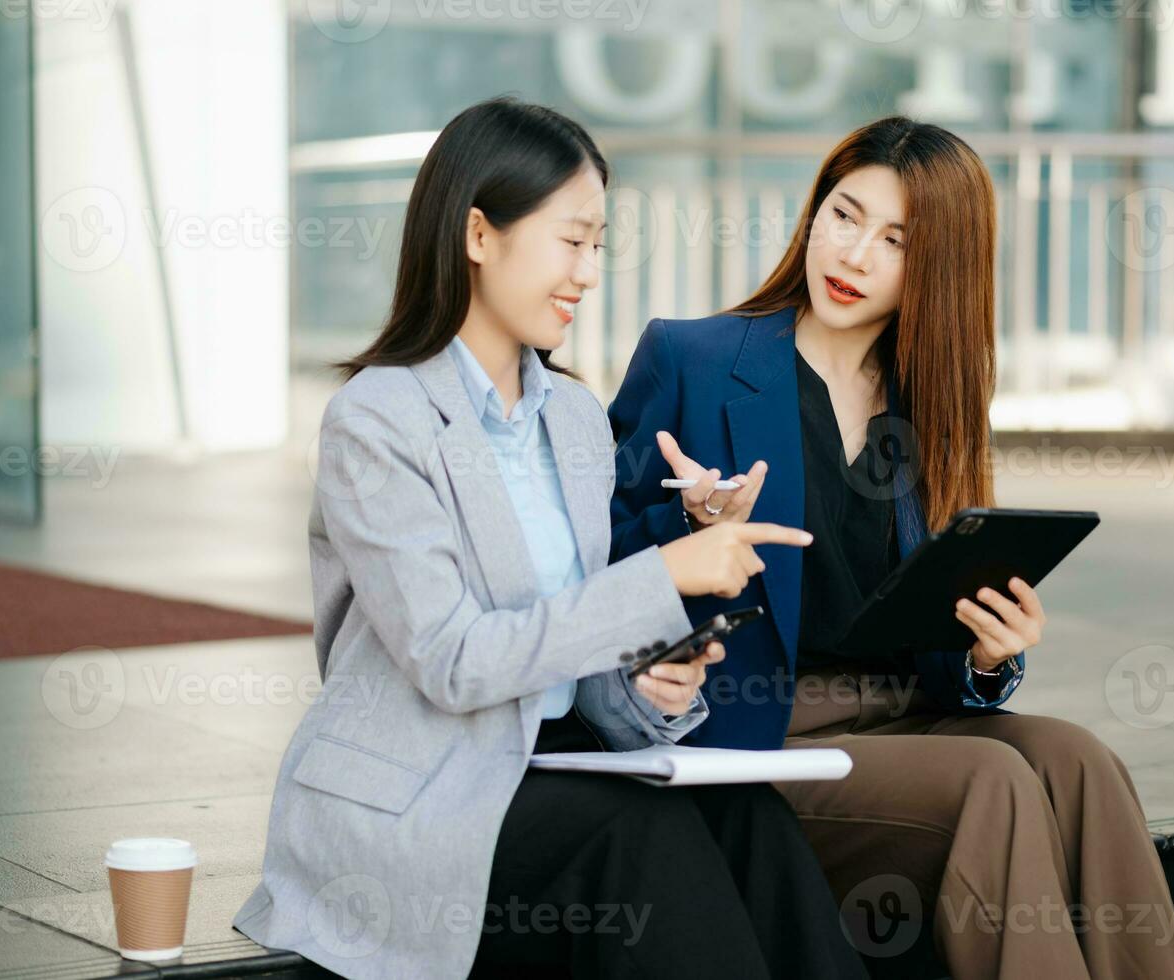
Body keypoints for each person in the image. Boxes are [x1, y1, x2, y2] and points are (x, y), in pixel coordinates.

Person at [231, 97, 868, 980]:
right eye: (572, 240)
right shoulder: (376, 422)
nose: (590, 271)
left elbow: (580, 664)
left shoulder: (572, 418)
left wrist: (654, 689)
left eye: (599, 244)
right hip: (425, 792)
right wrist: (661, 573)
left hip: (559, 766)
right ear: (479, 235)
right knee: (639, 838)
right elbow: (455, 662)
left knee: (750, 818)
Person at [608, 116, 1174, 979]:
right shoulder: (692, 358)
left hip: (905, 711)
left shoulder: (933, 401)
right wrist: (691, 526)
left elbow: (944, 639)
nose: (855, 256)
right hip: (759, 728)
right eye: (844, 216)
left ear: (941, 267)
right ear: (814, 212)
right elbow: (592, 567)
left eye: (897, 241)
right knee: (989, 784)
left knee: (1078, 760)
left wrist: (992, 655)